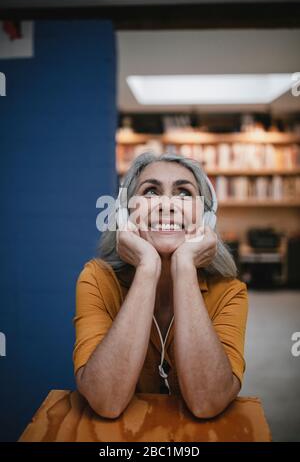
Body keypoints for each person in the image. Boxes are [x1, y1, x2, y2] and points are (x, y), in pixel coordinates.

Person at [73, 152, 248, 419]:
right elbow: (105, 400)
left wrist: (185, 265)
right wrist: (147, 267)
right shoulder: (96, 279)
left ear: (206, 218)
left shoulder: (230, 291)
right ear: (125, 213)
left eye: (184, 194)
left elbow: (207, 401)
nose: (167, 204)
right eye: (151, 192)